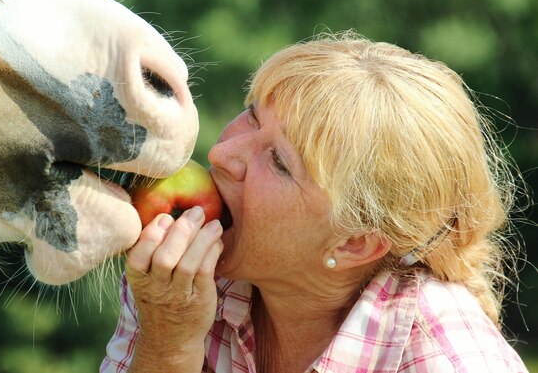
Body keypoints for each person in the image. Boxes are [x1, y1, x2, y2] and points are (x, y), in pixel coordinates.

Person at [100, 32, 529, 373]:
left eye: (280, 163)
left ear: (353, 244)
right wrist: (169, 346)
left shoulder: (449, 364)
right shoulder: (175, 292)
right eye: (252, 115)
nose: (221, 155)